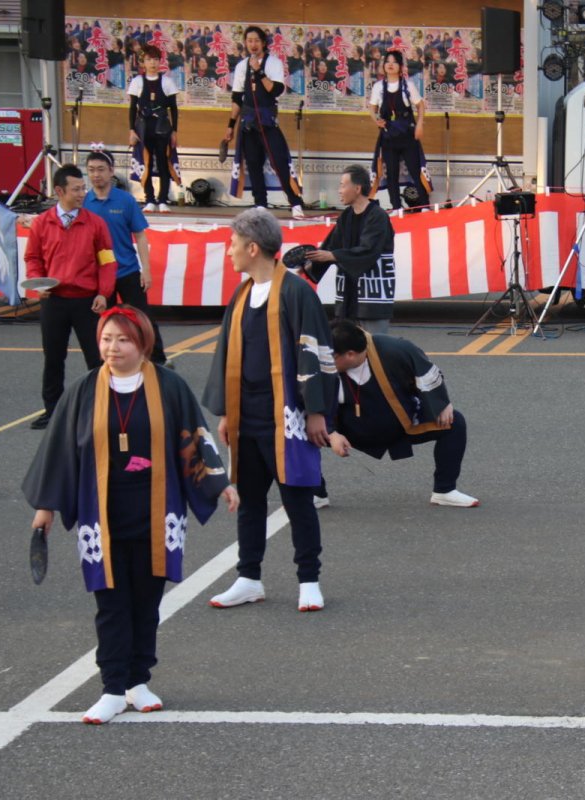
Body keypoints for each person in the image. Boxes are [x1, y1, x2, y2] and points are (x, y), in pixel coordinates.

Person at [23, 305, 239, 724]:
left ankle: (139, 680)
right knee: (111, 603)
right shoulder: (84, 390)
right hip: (102, 514)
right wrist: (45, 508)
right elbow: (59, 453)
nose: (112, 347)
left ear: (143, 344)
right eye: (106, 338)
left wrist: (221, 483)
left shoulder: (170, 387)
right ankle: (112, 687)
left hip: (157, 512)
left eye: (122, 339)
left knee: (147, 602)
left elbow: (194, 439)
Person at [203, 209, 338, 611]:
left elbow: (318, 352)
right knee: (249, 499)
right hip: (247, 413)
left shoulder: (297, 292)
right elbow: (227, 354)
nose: (229, 252)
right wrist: (226, 412)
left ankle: (309, 579)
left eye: (233, 245)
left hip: (288, 413)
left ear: (253, 248)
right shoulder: (241, 294)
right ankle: (249, 578)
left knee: (298, 498)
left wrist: (317, 412)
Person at [325, 318, 479, 507]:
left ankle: (444, 491)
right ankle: (314, 493)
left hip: (399, 424)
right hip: (349, 429)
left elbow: (426, 371)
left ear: (349, 354)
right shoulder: (320, 364)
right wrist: (331, 433)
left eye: (330, 357)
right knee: (298, 430)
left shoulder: (395, 349)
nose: (323, 361)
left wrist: (441, 402)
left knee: (455, 422)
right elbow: (308, 403)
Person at [25, 164, 117, 430]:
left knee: (97, 358)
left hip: (87, 300)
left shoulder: (95, 223)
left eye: (83, 188)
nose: (82, 193)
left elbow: (107, 261)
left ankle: (101, 408)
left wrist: (104, 292)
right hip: (54, 300)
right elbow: (33, 258)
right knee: (53, 358)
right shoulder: (42, 223)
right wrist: (37, 282)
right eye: (76, 189)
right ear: (59, 190)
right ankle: (52, 411)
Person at [83, 150, 169, 367]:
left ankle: (158, 360)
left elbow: (140, 235)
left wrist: (146, 270)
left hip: (127, 271)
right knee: (104, 322)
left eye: (101, 170)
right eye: (91, 170)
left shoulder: (126, 200)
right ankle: (106, 364)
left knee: (142, 318)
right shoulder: (83, 202)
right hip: (99, 275)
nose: (96, 175)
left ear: (111, 172)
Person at [302, 164, 396, 334]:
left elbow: (369, 251)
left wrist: (331, 255)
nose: (339, 190)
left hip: (372, 300)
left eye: (342, 185)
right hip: (348, 296)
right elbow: (332, 246)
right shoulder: (346, 216)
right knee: (347, 353)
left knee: (375, 350)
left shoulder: (378, 216)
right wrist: (310, 266)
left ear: (357, 188)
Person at [223, 26, 306, 218]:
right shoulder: (242, 66)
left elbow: (275, 90)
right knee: (253, 162)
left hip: (267, 121)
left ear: (263, 43)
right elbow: (237, 99)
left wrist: (259, 71)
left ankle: (294, 202)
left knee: (279, 161)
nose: (253, 44)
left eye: (256, 41)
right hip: (248, 121)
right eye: (249, 40)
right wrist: (230, 125)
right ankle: (260, 202)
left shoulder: (274, 63)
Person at [369, 51, 429, 210]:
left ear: (400, 66)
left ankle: (424, 206)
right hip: (388, 135)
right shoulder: (378, 87)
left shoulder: (408, 85)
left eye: (394, 62)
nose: (390, 64)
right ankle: (396, 207)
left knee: (416, 171)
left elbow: (420, 105)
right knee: (392, 173)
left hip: (407, 134)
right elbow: (372, 108)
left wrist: (420, 125)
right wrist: (376, 120)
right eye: (387, 61)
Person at [127, 45, 180, 213]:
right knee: (146, 163)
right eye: (149, 59)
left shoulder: (167, 81)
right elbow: (132, 107)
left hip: (162, 127)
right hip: (143, 127)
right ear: (142, 62)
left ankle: (163, 199)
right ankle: (149, 199)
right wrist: (131, 130)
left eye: (156, 59)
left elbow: (174, 108)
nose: (153, 63)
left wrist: (174, 130)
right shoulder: (137, 81)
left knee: (163, 162)